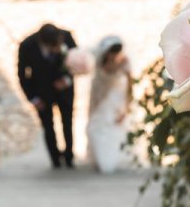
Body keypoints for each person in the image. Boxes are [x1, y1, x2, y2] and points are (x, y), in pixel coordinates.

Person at [18, 23, 77, 169]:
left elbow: (77, 62)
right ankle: (55, 160)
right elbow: (22, 74)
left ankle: (69, 157)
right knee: (48, 127)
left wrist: (67, 80)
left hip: (65, 91)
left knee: (68, 123)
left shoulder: (67, 37)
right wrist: (33, 98)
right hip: (41, 93)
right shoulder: (27, 45)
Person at [86, 36, 132, 174]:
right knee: (94, 128)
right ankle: (98, 158)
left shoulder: (124, 62)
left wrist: (127, 107)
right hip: (100, 100)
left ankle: (108, 160)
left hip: (116, 99)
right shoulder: (100, 62)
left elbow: (130, 85)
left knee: (113, 129)